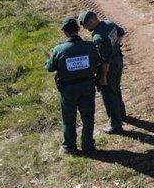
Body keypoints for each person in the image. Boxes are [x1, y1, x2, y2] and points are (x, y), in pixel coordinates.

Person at [45, 17, 100, 155]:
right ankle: (88, 145)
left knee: (69, 118)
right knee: (88, 117)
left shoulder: (59, 50)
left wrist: (50, 58)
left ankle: (69, 146)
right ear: (78, 29)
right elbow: (99, 62)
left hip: (68, 90)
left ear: (65, 32)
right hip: (88, 86)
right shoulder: (90, 46)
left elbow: (50, 68)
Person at [78, 10, 127, 134]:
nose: (85, 28)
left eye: (86, 24)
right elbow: (121, 32)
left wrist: (103, 77)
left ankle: (115, 125)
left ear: (93, 20)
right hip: (118, 60)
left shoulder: (98, 37)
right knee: (116, 88)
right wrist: (115, 46)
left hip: (109, 66)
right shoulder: (109, 23)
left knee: (109, 95)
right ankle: (122, 114)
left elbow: (104, 61)